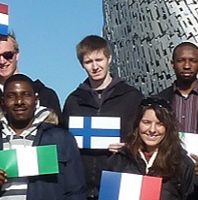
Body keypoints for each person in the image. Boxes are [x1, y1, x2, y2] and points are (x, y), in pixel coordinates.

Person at [0, 75, 85, 200]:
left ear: (36, 100)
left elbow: (76, 190)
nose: (19, 102)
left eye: (26, 95)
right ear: (2, 102)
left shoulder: (61, 138)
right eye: (11, 96)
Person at [62, 35, 145, 200]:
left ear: (109, 59)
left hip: (120, 181)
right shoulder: (74, 100)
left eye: (99, 60)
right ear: (82, 64)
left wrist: (130, 147)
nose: (95, 67)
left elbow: (146, 137)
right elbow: (64, 140)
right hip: (81, 186)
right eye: (88, 62)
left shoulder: (132, 97)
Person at [150, 42, 198, 200]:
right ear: (172, 63)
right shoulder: (157, 102)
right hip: (167, 183)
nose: (186, 66)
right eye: (181, 60)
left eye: (192, 61)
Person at [0, 28, 64, 126]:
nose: (2, 61)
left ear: (17, 55)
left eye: (7, 55)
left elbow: (57, 132)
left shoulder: (44, 94)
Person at [104, 98, 196, 200]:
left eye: (159, 124)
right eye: (146, 122)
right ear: (138, 124)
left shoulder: (182, 164)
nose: (152, 130)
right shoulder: (118, 160)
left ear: (168, 127)